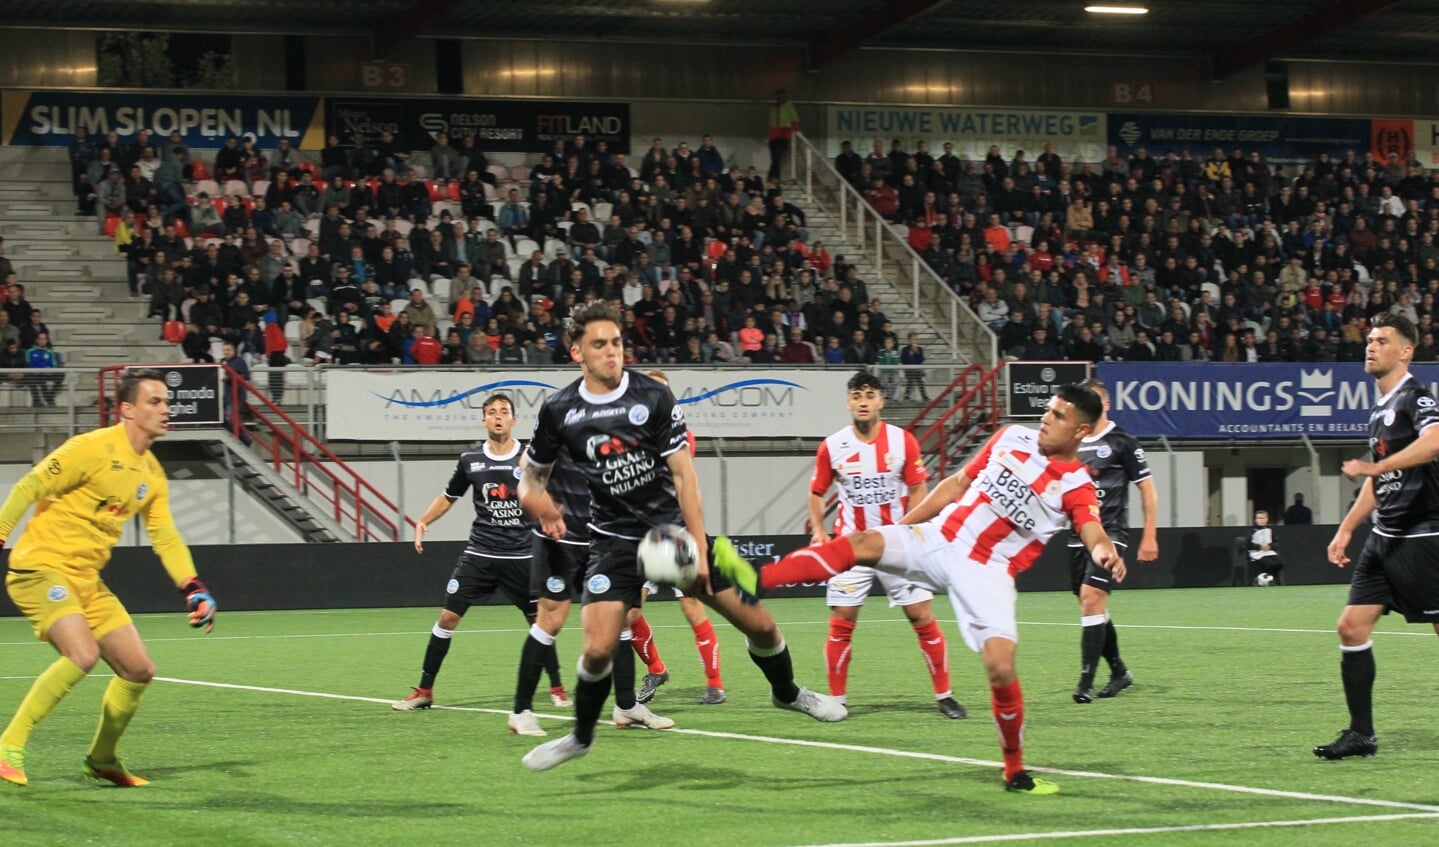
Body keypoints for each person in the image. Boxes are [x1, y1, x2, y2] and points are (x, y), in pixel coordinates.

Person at [713, 384, 1123, 795]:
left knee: (1000, 667)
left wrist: (1104, 551)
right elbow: (957, 484)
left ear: (1081, 431)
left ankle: (1013, 770)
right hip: (940, 538)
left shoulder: (1076, 485)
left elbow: (1092, 528)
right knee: (863, 544)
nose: (1046, 419)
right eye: (1048, 410)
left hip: (988, 573)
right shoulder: (1010, 436)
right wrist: (903, 527)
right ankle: (753, 580)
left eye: (1058, 416)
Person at [518, 302, 844, 771]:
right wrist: (540, 503)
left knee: (762, 626)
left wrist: (698, 548)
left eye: (616, 342)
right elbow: (530, 480)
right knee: (595, 647)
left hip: (671, 538)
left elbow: (685, 477)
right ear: (577, 353)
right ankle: (581, 736)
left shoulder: (653, 396)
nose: (612, 352)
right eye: (599, 345)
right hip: (613, 544)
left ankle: (789, 693)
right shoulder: (559, 410)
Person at [0, 368, 217, 787]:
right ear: (127, 410)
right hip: (40, 566)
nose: (165, 409)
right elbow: (29, 486)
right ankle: (10, 741)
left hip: (86, 579)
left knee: (138, 670)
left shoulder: (151, 474)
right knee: (81, 655)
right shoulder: (91, 448)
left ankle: (102, 759)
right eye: (154, 402)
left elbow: (166, 537)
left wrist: (193, 587)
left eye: (167, 403)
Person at [391, 394, 567, 726]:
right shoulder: (470, 459)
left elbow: (550, 495)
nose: (498, 417)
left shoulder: (530, 457)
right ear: (483, 421)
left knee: (540, 623)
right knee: (446, 618)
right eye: (491, 413)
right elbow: (449, 496)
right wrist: (424, 521)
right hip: (481, 552)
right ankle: (425, 690)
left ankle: (557, 686)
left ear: (514, 420)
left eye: (504, 412)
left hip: (524, 554)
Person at [1317, 313, 1439, 760]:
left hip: (1423, 536)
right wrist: (1346, 529)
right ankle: (1361, 734)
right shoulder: (1379, 410)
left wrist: (1379, 466)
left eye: (1382, 340)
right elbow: (1376, 479)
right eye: (1368, 339)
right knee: (1351, 627)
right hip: (1384, 537)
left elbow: (1436, 441)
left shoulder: (1416, 398)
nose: (1370, 346)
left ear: (1406, 352)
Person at [808, 372, 964, 718]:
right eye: (856, 396)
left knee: (922, 616)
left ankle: (945, 695)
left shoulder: (903, 441)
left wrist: (914, 527)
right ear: (848, 402)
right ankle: (837, 699)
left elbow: (918, 487)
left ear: (881, 401)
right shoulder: (832, 446)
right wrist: (819, 530)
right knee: (842, 621)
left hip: (897, 543)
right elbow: (817, 491)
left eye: (869, 395)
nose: (863, 402)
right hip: (851, 547)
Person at [627, 369, 726, 707]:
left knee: (691, 604)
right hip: (641, 536)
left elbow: (675, 475)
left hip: (677, 532)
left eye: (664, 392)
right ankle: (656, 668)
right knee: (628, 612)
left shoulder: (681, 435)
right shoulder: (627, 438)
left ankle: (715, 684)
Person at [1067, 378, 1158, 703]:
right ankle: (1119, 671)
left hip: (1111, 534)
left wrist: (1149, 535)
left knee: (1091, 597)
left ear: (1105, 405)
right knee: (1092, 605)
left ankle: (1085, 682)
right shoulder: (1071, 442)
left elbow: (1147, 489)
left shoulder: (1123, 442)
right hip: (1077, 536)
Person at [767, 88, 800, 181]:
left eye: (781, 95)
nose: (779, 97)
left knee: (776, 157)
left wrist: (796, 130)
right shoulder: (774, 107)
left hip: (784, 135)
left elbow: (795, 119)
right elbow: (772, 123)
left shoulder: (788, 106)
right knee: (775, 158)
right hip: (774, 136)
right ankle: (773, 178)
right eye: (778, 95)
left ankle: (773, 177)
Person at [1247, 510, 1284, 585]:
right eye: (1258, 518)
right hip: (1257, 553)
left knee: (1279, 563)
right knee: (1269, 563)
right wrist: (1259, 546)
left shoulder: (1270, 530)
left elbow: (1276, 543)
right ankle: (1263, 580)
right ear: (1255, 519)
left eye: (1262, 518)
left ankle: (1269, 578)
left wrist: (1270, 546)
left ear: (1267, 519)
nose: (1260, 520)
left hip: (1268, 551)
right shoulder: (1252, 531)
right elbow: (1248, 544)